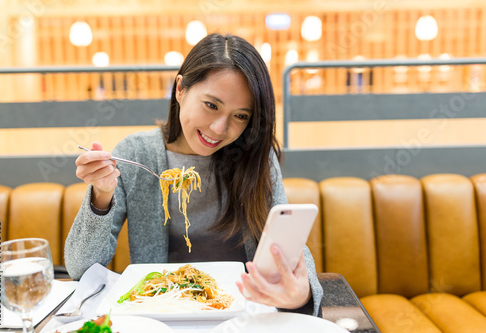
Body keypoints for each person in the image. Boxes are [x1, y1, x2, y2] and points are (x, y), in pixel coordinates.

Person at [65, 33, 322, 315]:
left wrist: (302, 292)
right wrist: (101, 194)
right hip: (158, 315)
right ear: (180, 89)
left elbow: (287, 247)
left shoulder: (255, 157)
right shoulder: (138, 154)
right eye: (211, 105)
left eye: (240, 116)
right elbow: (81, 267)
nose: (219, 128)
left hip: (242, 314)